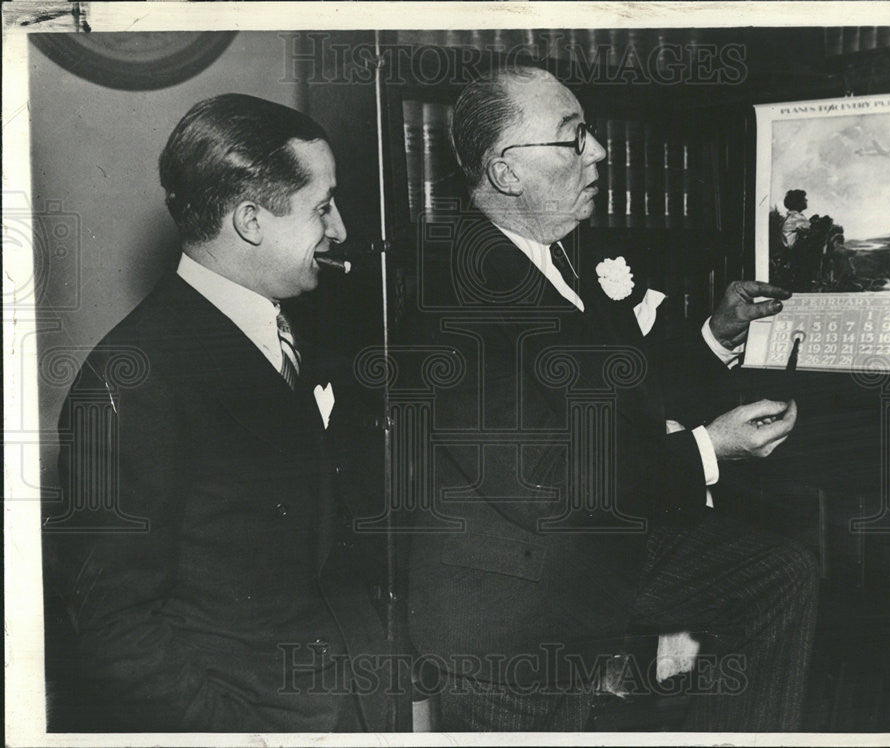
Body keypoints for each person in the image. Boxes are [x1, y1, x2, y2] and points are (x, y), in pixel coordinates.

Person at [405, 67, 818, 732]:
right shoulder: (447, 294)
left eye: (590, 132)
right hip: (511, 606)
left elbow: (622, 387)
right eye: (573, 139)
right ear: (506, 173)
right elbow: (548, 479)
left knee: (778, 575)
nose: (598, 151)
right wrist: (710, 449)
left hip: (590, 551)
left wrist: (716, 333)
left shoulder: (562, 251)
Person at [42, 94, 392, 732]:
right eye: (322, 208)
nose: (340, 229)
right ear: (252, 221)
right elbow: (114, 623)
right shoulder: (132, 375)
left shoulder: (310, 332)